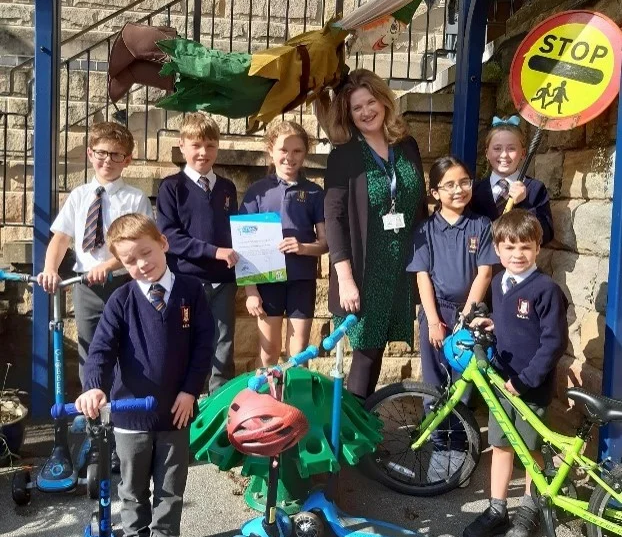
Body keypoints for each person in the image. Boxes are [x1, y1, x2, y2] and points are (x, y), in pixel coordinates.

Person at [75, 213, 213, 537]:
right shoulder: (120, 300)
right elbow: (101, 351)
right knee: (133, 490)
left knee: (171, 489)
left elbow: (204, 346)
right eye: (130, 260)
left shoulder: (191, 291)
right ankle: (136, 533)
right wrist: (94, 386)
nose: (142, 263)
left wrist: (190, 390)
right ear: (121, 263)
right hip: (129, 416)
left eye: (146, 252)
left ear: (163, 243)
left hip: (176, 412)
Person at [323, 68, 427, 400]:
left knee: (377, 351)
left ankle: (363, 427)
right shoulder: (344, 155)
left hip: (399, 268)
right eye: (357, 108)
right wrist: (345, 279)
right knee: (365, 354)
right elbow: (334, 217)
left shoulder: (406, 145)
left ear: (383, 101)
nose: (367, 111)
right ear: (349, 115)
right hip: (364, 270)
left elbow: (420, 205)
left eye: (371, 102)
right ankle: (353, 440)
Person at [463, 209, 568, 537]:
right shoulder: (498, 282)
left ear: (538, 248)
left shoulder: (546, 290)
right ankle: (496, 507)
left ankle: (529, 506)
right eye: (509, 247)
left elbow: (553, 343)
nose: (517, 254)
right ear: (497, 250)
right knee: (500, 445)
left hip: (529, 386)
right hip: (501, 382)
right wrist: (492, 323)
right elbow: (513, 324)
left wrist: (525, 380)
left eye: (525, 246)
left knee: (530, 449)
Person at [37, 121, 153, 386]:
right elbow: (61, 238)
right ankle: (92, 411)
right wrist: (50, 269)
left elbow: (139, 244)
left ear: (128, 160)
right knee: (89, 348)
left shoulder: (135, 199)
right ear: (90, 154)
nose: (107, 160)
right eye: (101, 153)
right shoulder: (79, 196)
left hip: (124, 283)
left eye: (116, 155)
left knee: (127, 346)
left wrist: (108, 266)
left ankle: (120, 413)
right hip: (85, 287)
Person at [156, 112, 239, 395]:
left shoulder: (227, 188)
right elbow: (170, 238)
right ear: (182, 146)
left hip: (224, 282)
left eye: (211, 145)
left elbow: (235, 233)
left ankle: (220, 404)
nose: (204, 152)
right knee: (187, 341)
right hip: (187, 280)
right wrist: (214, 251)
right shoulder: (171, 187)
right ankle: (188, 401)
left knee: (224, 344)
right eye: (196, 145)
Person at [240, 120, 327, 366]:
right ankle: (265, 402)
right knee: (269, 352)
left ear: (305, 153)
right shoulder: (257, 192)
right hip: (268, 282)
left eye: (297, 151)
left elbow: (324, 243)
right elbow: (243, 246)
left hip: (301, 280)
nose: (290, 157)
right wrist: (251, 291)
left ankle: (292, 403)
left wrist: (302, 248)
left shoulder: (313, 192)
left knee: (298, 354)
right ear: (271, 150)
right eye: (283, 150)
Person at [407, 156, 497, 392]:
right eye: (450, 185)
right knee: (434, 380)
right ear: (435, 193)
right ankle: (434, 429)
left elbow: (484, 273)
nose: (459, 190)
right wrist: (434, 321)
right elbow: (422, 276)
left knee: (463, 380)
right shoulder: (425, 229)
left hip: (469, 311)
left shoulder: (482, 225)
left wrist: (466, 317)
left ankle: (460, 430)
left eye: (464, 182)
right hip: (436, 311)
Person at [470, 115, 554, 246]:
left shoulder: (535, 189)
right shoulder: (475, 190)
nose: (504, 155)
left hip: (518, 263)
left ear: (523, 153)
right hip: (482, 265)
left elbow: (545, 235)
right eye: (497, 148)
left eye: (511, 148)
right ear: (487, 153)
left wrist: (525, 205)